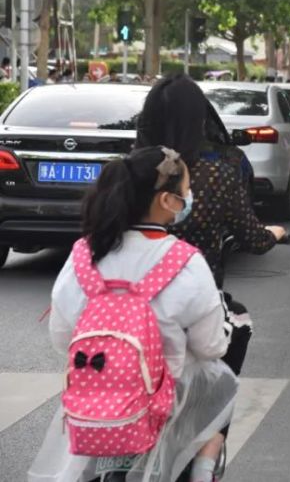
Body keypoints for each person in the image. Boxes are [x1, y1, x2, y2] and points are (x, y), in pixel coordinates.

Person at [30, 147, 237, 482]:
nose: (189, 197)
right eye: (186, 191)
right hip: (166, 403)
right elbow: (211, 346)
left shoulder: (83, 255)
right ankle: (204, 466)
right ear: (167, 202)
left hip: (95, 404)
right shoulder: (185, 261)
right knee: (214, 399)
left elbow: (62, 337)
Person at [136, 75, 283, 288]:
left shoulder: (124, 173)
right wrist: (274, 233)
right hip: (197, 298)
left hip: (129, 302)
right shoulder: (216, 176)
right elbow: (254, 239)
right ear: (199, 122)